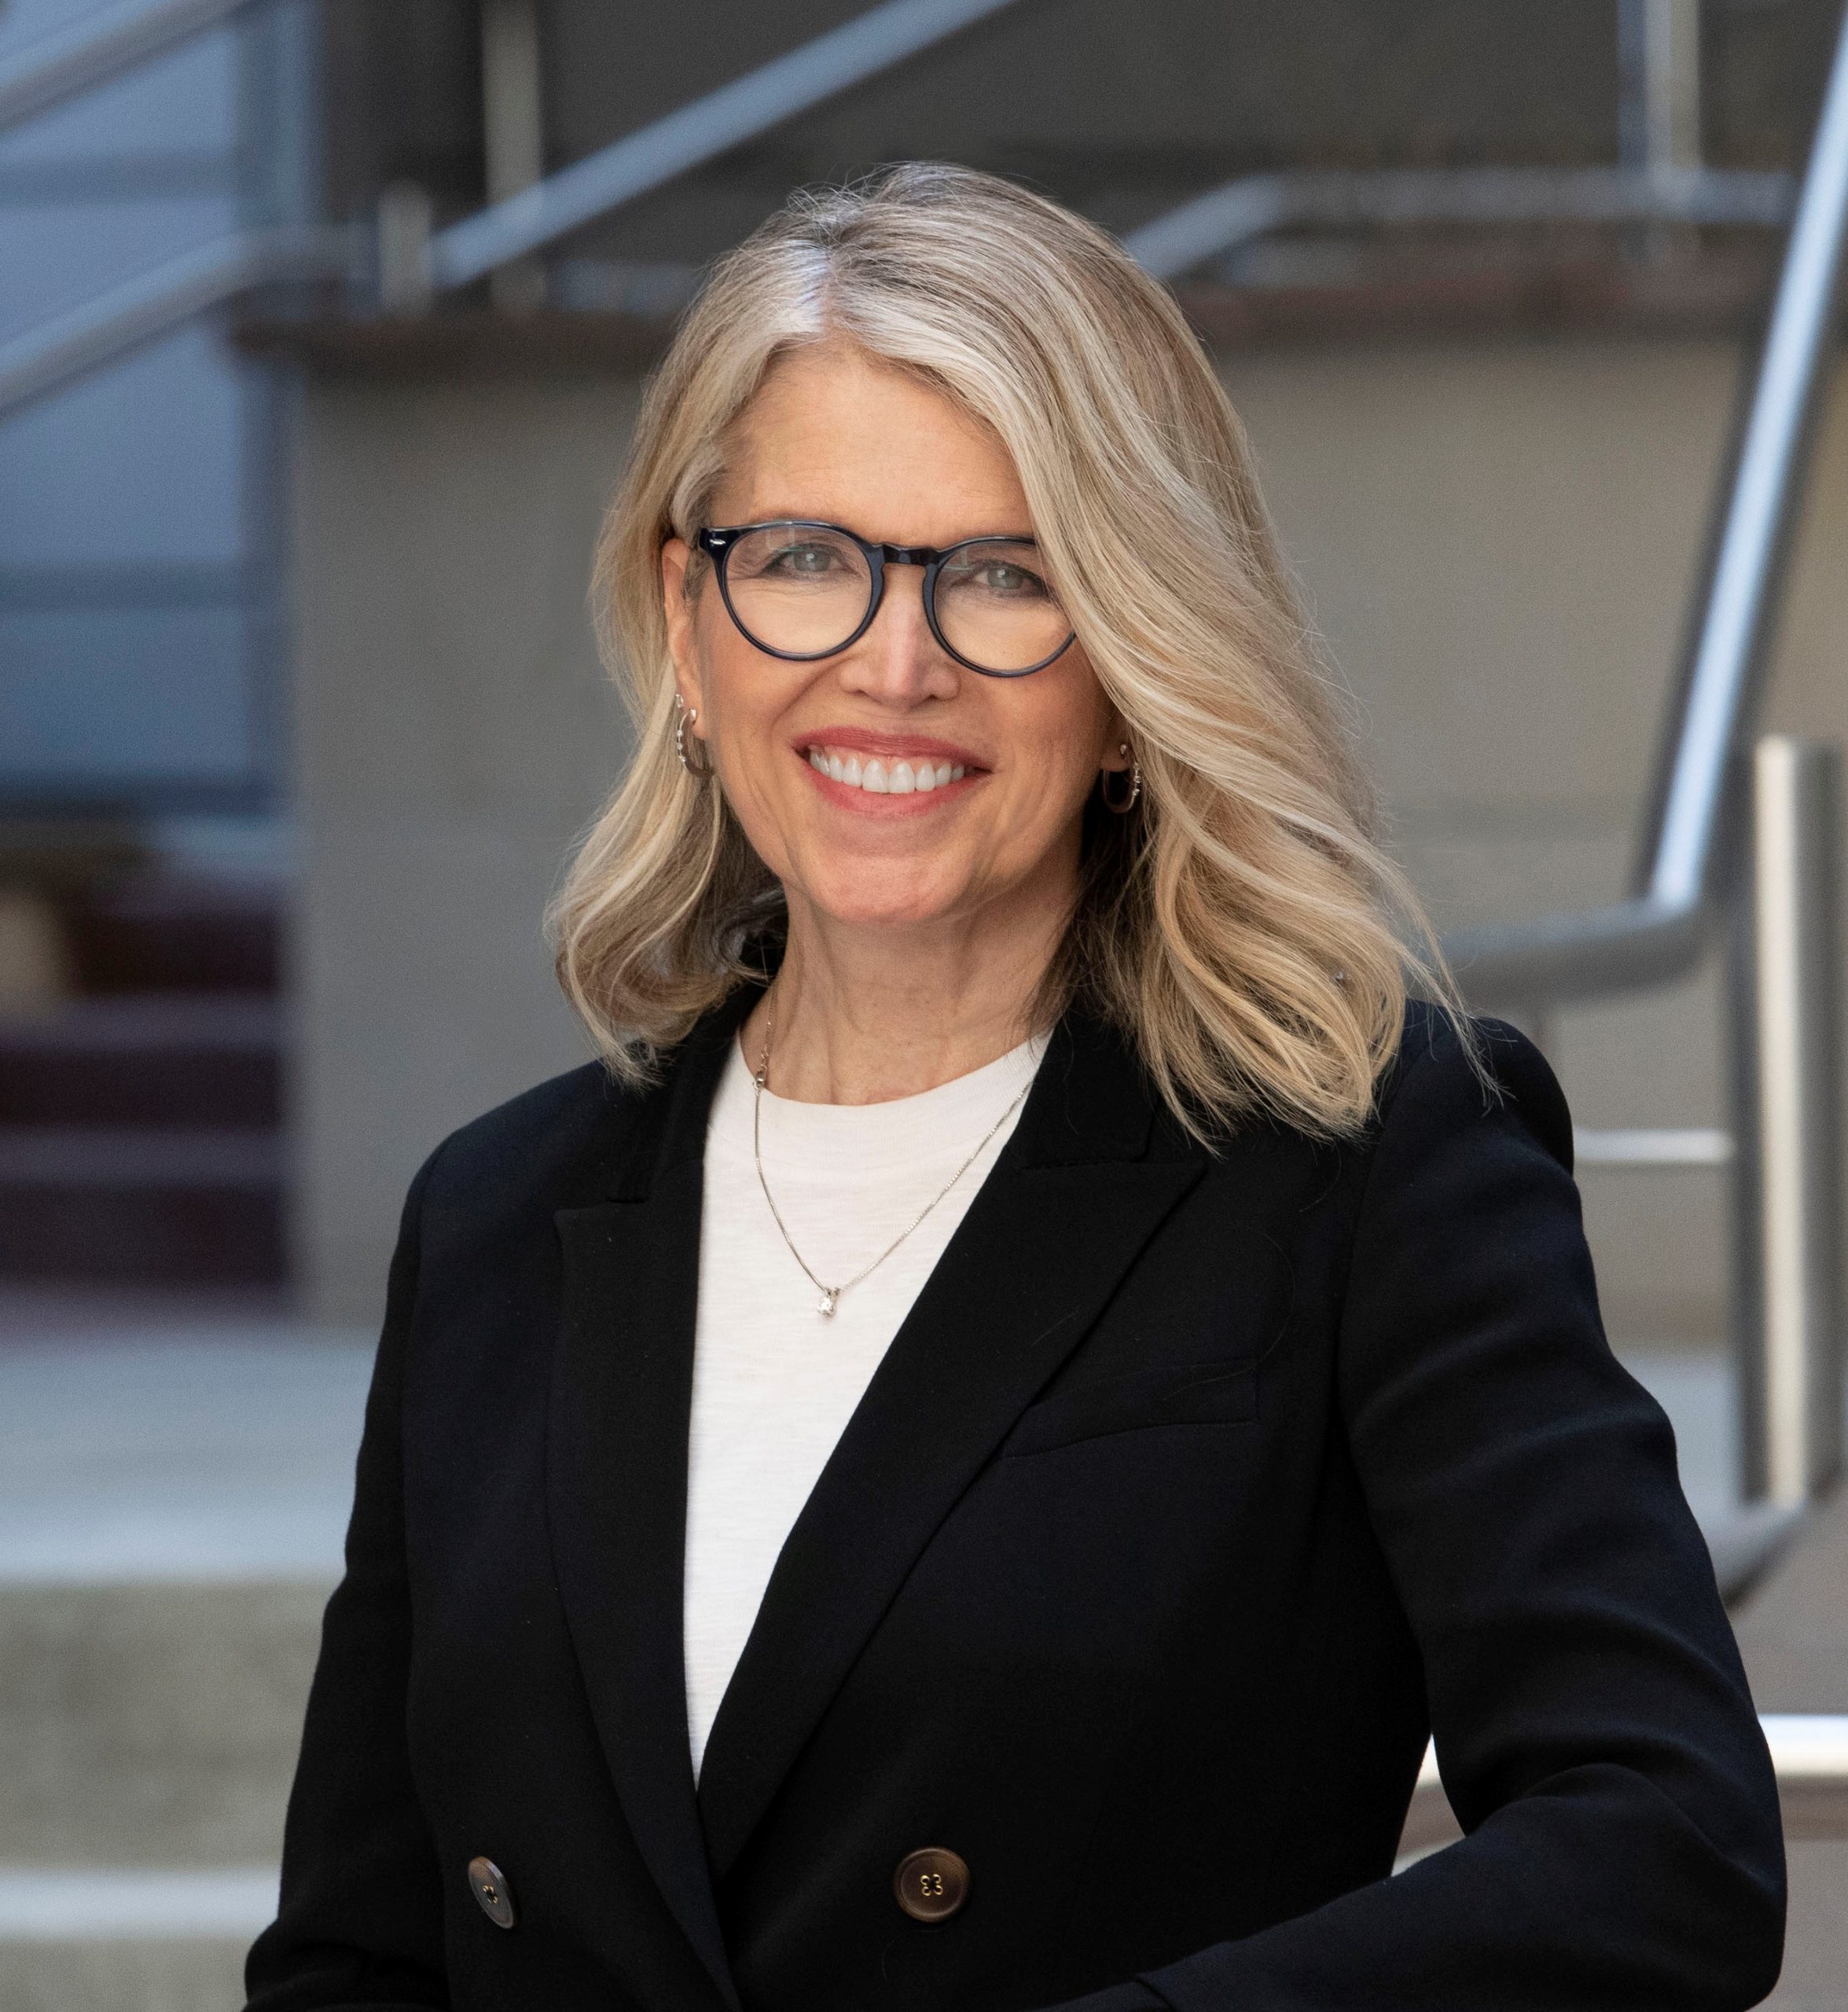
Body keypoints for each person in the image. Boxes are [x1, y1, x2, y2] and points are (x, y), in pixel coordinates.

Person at [245, 164, 1784, 2012]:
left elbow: (1663, 1837)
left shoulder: (1364, 1156)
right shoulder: (495, 1219)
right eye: (806, 558)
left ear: (1135, 654)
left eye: (1005, 574)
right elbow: (358, 1951)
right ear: (688, 614)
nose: (894, 668)